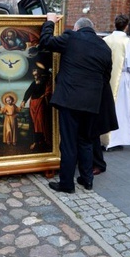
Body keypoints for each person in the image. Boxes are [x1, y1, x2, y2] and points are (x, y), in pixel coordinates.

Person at [39, 14, 114, 193]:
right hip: (91, 103)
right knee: (86, 141)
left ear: (77, 28)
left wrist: (49, 22)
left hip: (70, 100)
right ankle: (87, 180)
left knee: (68, 143)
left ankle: (67, 183)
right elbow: (106, 77)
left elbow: (46, 42)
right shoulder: (104, 46)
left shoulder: (72, 38)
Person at [101, 14, 130, 151]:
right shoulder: (129, 43)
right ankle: (114, 140)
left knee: (106, 107)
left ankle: (103, 138)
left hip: (105, 78)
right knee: (120, 110)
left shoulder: (105, 39)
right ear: (127, 26)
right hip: (122, 78)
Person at [21, 66, 52, 150]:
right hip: (33, 104)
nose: (35, 74)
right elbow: (28, 92)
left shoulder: (45, 80)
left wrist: (44, 96)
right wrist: (24, 101)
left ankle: (43, 140)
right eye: (34, 71)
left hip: (41, 103)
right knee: (34, 123)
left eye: (36, 71)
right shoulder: (33, 83)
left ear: (40, 73)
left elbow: (48, 90)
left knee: (40, 122)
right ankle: (36, 141)